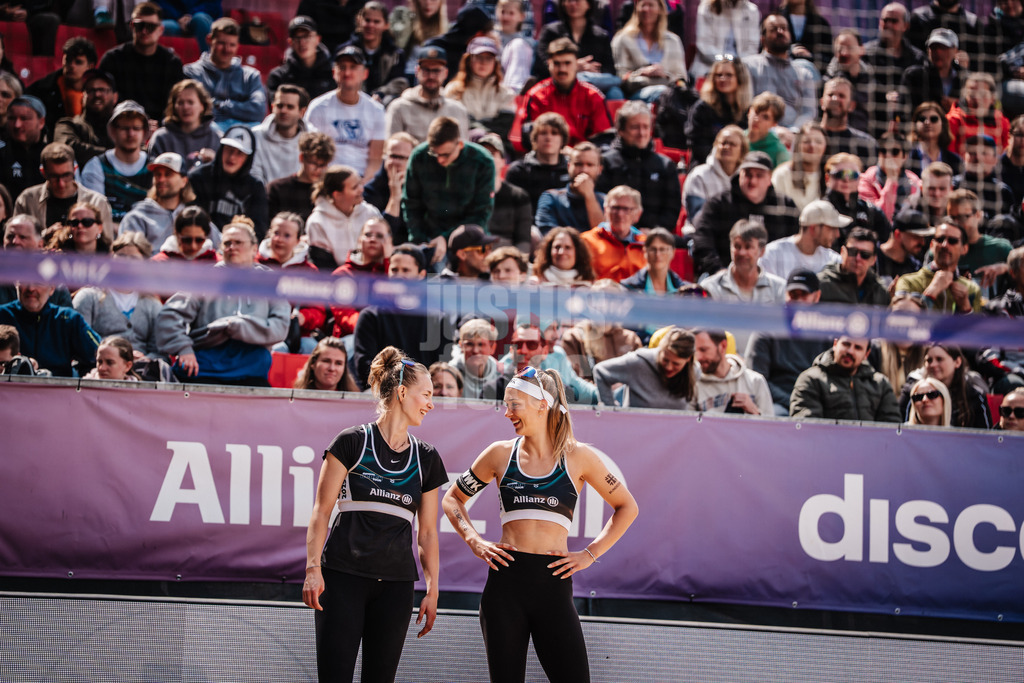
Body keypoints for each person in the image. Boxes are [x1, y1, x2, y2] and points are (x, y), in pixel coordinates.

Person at [441, 365, 638, 682]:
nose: (507, 413)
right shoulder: (499, 454)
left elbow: (627, 507)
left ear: (542, 405)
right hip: (505, 584)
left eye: (514, 404)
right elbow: (452, 499)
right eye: (506, 405)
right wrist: (474, 540)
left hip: (552, 584)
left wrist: (589, 554)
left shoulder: (579, 456)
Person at [303, 347, 444, 681]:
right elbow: (321, 511)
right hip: (342, 578)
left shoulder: (427, 457)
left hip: (396, 588)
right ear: (402, 392)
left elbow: (427, 533)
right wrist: (312, 568)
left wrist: (433, 589)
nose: (431, 404)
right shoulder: (351, 441)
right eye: (426, 394)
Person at [156, 221, 290, 385]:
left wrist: (237, 326)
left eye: (238, 242)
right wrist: (183, 349)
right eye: (227, 243)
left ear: (254, 249)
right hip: (205, 358)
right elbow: (169, 314)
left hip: (252, 359)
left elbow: (281, 325)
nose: (232, 247)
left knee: (261, 361)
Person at [351, 244, 455, 387]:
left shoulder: (438, 319)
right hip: (383, 394)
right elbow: (365, 367)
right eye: (394, 270)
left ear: (421, 275)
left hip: (425, 394)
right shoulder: (370, 316)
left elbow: (442, 368)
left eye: (406, 270)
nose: (399, 276)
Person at [402, 116, 495, 268]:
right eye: (434, 154)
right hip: (429, 234)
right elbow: (411, 204)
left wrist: (446, 239)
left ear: (460, 144)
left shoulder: (482, 161)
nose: (440, 160)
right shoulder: (419, 156)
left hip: (468, 235)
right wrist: (420, 241)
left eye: (445, 154)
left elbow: (481, 213)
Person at [692, 151, 800, 277]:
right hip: (724, 274)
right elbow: (702, 239)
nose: (753, 181)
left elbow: (796, 244)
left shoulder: (786, 206)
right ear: (740, 175)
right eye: (748, 174)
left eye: (759, 175)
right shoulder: (719, 203)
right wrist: (717, 270)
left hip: (775, 277)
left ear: (769, 178)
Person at [745, 269, 831, 415]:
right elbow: (757, 380)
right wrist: (793, 401)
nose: (798, 301)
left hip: (817, 402)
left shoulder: (827, 333)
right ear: (785, 295)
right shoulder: (765, 330)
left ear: (817, 296)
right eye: (793, 295)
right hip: (777, 403)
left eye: (804, 295)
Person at [595, 101, 681, 231]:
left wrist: (653, 232)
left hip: (653, 236)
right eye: (635, 127)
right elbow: (601, 204)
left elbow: (672, 210)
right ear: (621, 130)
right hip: (613, 233)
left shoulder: (665, 165)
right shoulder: (606, 162)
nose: (641, 133)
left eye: (646, 127)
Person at [513, 38, 612, 151]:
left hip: (583, 157)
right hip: (546, 156)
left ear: (576, 64)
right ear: (549, 64)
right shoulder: (536, 96)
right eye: (557, 64)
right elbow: (529, 138)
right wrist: (559, 152)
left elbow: (603, 139)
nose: (562, 69)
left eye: (567, 63)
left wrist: (578, 154)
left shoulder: (593, 96)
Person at [73, 233, 162, 358]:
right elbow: (79, 342)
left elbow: (159, 351)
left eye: (134, 259)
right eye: (121, 256)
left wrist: (144, 360)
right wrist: (116, 359)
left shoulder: (152, 305)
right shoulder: (89, 298)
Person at [305, 46, 386, 183]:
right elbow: (312, 154)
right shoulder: (318, 107)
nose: (347, 72)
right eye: (342, 67)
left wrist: (361, 185)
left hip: (362, 180)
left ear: (365, 73)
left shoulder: (376, 110)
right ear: (334, 72)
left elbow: (375, 160)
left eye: (353, 67)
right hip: (327, 179)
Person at [97, 2, 185, 123]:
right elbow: (103, 101)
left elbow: (176, 104)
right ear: (131, 26)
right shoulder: (112, 59)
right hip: (121, 124)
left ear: (160, 30)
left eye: (150, 27)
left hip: (161, 127)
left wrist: (160, 125)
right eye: (139, 25)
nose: (144, 31)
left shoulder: (172, 63)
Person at [13, 142, 114, 240]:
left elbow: (107, 243)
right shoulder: (28, 200)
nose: (61, 183)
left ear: (75, 170)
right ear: (43, 173)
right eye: (54, 176)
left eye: (66, 175)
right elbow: (15, 240)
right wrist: (44, 235)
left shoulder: (96, 202)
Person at [790, 336, 903, 423]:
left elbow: (892, 429)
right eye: (846, 344)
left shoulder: (880, 384)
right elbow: (807, 429)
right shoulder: (811, 379)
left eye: (858, 347)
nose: (850, 351)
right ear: (835, 344)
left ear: (866, 354)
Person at [0, 282, 102, 377]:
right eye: (25, 281)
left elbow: (101, 354)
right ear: (16, 284)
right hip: (9, 388)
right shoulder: (2, 315)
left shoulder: (68, 319)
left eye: (38, 282)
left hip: (58, 388)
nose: (31, 288)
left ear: (52, 288)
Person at [119, 152, 216, 251]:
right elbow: (127, 256)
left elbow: (219, 246)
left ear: (184, 181)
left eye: (168, 174)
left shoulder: (194, 216)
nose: (161, 179)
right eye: (157, 174)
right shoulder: (137, 217)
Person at [182, 17, 267, 129]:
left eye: (232, 45)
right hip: (205, 133)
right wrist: (239, 109)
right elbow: (193, 110)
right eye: (221, 43)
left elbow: (258, 111)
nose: (227, 50)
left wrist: (219, 105)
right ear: (209, 40)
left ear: (238, 46)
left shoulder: (251, 76)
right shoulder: (191, 72)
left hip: (243, 134)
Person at [188, 125, 269, 239]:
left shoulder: (255, 187)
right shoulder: (198, 177)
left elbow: (259, 230)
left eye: (239, 153)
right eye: (229, 149)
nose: (232, 157)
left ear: (248, 158)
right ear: (221, 149)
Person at [80, 100, 152, 223]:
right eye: (124, 128)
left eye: (136, 128)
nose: (130, 134)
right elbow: (94, 217)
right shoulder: (95, 166)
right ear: (113, 131)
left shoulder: (154, 167)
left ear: (144, 132)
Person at [533, 0, 621, 99]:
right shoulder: (550, 31)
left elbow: (610, 69)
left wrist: (594, 70)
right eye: (568, 0)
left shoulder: (601, 36)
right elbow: (541, 64)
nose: (573, 4)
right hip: (560, 81)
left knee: (615, 91)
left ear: (588, 4)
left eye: (577, 0)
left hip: (595, 82)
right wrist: (572, 66)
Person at [742, 12, 817, 129]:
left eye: (784, 28)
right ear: (762, 39)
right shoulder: (748, 66)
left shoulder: (804, 73)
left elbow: (809, 113)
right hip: (758, 131)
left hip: (794, 135)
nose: (780, 32)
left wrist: (793, 131)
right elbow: (744, 105)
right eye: (773, 29)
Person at [593, 326, 696, 409]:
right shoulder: (638, 362)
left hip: (673, 428)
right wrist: (610, 408)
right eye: (665, 360)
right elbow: (601, 371)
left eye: (676, 364)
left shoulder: (694, 372)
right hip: (635, 427)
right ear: (660, 351)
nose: (669, 367)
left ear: (688, 359)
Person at [895, 218, 983, 313]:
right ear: (932, 245)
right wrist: (932, 292)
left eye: (952, 241)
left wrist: (966, 309)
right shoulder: (908, 282)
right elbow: (901, 318)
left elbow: (978, 323)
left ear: (964, 249)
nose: (945, 245)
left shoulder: (972, 289)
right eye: (940, 240)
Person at [386, 45, 470, 144]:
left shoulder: (457, 110)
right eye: (426, 70)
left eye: (436, 71)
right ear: (417, 71)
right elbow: (391, 147)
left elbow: (462, 147)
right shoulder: (399, 107)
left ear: (445, 73)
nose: (431, 76)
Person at [897, 342, 992, 429]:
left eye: (939, 359)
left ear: (957, 362)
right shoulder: (914, 392)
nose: (933, 364)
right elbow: (898, 428)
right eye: (929, 360)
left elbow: (984, 436)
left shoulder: (973, 395)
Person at [328, 217, 393, 339]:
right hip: (352, 337)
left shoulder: (393, 272)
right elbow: (345, 315)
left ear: (389, 242)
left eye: (379, 236)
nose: (372, 239)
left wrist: (388, 261)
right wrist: (369, 328)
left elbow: (396, 301)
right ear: (359, 239)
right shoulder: (342, 274)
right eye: (368, 234)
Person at [611, 0, 686, 102]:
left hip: (668, 91)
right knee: (661, 92)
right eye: (643, 5)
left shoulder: (673, 41)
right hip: (635, 94)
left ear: (660, 9)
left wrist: (665, 74)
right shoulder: (623, 39)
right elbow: (619, 76)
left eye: (650, 5)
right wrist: (642, 72)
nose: (646, 9)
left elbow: (681, 78)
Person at [443, 36, 516, 138]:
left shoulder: (506, 93)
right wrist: (481, 133)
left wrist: (485, 135)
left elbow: (505, 124)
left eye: (489, 58)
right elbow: (454, 121)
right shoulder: (454, 89)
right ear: (468, 60)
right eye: (479, 57)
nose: (483, 62)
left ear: (495, 63)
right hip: (462, 140)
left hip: (495, 142)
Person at [685, 56, 752, 166]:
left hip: (740, 167)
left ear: (740, 78)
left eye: (729, 75)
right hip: (707, 166)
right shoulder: (702, 108)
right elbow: (696, 144)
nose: (722, 79)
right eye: (719, 75)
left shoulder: (748, 111)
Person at [946, 188, 1013, 296]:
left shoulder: (1000, 248)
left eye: (962, 217)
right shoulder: (941, 249)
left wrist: (1005, 268)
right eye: (952, 218)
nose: (956, 223)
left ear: (978, 215)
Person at [25, 36, 97, 138]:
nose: (71, 65)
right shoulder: (39, 90)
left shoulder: (100, 92)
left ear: (90, 66)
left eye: (78, 62)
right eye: (68, 60)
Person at [339, 2, 409, 104]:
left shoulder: (395, 54)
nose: (371, 25)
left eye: (376, 22)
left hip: (383, 103)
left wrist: (381, 93)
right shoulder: (345, 51)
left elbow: (400, 82)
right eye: (367, 20)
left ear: (386, 25)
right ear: (359, 21)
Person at [693, 328, 773, 415]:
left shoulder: (755, 381)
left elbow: (771, 422)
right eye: (695, 351)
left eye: (703, 350)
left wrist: (754, 411)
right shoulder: (693, 386)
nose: (698, 357)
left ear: (723, 346)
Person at [760, 199, 845, 281]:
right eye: (832, 228)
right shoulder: (772, 255)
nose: (837, 234)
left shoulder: (833, 260)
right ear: (813, 228)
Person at [147, 80, 223, 171]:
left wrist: (214, 162)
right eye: (180, 103)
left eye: (190, 102)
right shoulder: (161, 138)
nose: (185, 107)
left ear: (202, 106)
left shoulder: (216, 138)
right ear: (174, 106)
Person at [504, 112, 571, 214]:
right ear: (535, 138)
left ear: (563, 139)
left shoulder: (571, 170)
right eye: (543, 133)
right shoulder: (518, 170)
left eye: (554, 133)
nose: (548, 138)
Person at [683, 125, 747, 231]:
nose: (727, 147)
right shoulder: (699, 175)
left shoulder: (746, 178)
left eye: (732, 144)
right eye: (723, 143)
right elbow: (697, 217)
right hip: (702, 231)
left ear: (742, 150)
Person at [580, 185, 647, 282]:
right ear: (605, 210)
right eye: (615, 208)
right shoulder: (587, 241)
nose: (620, 214)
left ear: (638, 214)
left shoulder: (646, 245)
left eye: (626, 209)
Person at [536, 140, 605, 234]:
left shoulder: (606, 201)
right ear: (569, 166)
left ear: (599, 169)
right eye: (578, 164)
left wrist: (589, 196)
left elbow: (603, 236)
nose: (584, 170)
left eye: (590, 165)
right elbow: (549, 235)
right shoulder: (551, 197)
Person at [822, 153, 892, 246]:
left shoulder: (871, 211)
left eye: (852, 175)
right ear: (827, 178)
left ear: (860, 178)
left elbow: (887, 246)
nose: (846, 180)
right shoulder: (819, 211)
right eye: (840, 174)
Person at [478, 133, 532, 254]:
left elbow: (523, 241)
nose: (486, 158)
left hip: (506, 258)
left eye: (492, 154)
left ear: (503, 161)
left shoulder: (519, 196)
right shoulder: (467, 194)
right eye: (482, 154)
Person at [54, 69, 118, 169]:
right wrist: (119, 155)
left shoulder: (124, 127)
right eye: (91, 90)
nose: (97, 94)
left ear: (115, 97)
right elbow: (66, 150)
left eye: (102, 90)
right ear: (82, 96)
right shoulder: (68, 125)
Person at [250, 85, 311, 186]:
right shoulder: (255, 136)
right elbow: (254, 176)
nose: (283, 111)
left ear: (302, 112)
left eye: (290, 107)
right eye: (279, 106)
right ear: (272, 107)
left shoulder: (313, 140)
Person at [268, 131, 335, 221]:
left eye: (323, 165)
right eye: (313, 163)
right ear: (301, 158)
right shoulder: (277, 188)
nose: (318, 169)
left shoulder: (330, 191)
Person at [267, 16, 336, 102]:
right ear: (290, 42)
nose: (302, 43)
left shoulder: (333, 73)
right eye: (297, 38)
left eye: (307, 37)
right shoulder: (278, 76)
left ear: (317, 39)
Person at [817, 227, 891, 307]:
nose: (858, 258)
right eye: (852, 252)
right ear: (842, 252)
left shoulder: (880, 292)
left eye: (865, 255)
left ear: (873, 260)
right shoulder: (822, 285)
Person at [858, 132, 922, 222]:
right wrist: (891, 180)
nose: (888, 156)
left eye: (894, 151)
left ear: (904, 156)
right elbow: (877, 218)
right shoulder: (866, 180)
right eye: (883, 151)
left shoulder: (914, 181)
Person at [362, 131, 414, 240]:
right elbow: (379, 236)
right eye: (393, 156)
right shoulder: (370, 190)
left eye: (402, 158)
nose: (396, 162)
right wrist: (395, 197)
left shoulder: (417, 188)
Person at [691, 0, 760, 80]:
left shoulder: (752, 10)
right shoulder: (707, 8)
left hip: (741, 71)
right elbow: (704, 47)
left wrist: (736, 66)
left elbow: (752, 48)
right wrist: (725, 64)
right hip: (709, 69)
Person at [900, 28, 963, 113]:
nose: (938, 52)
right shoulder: (914, 76)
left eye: (943, 47)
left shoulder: (965, 79)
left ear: (955, 50)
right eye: (933, 47)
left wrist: (957, 105)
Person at [947, 72, 1010, 157]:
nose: (977, 99)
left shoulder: (1002, 122)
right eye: (972, 95)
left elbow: (1006, 155)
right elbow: (950, 157)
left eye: (982, 94)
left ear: (993, 98)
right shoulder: (953, 120)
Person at [770, 122, 827, 214]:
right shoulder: (782, 175)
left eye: (818, 142)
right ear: (797, 145)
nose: (812, 146)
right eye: (806, 141)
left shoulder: (830, 177)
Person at [0, 96, 48, 201]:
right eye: (12, 118)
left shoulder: (52, 154)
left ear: (41, 122)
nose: (17, 125)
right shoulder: (2, 154)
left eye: (24, 118)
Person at [819, 77, 878, 163]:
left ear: (851, 106)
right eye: (830, 95)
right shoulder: (809, 138)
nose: (835, 99)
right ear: (821, 102)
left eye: (841, 96)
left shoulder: (866, 144)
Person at [449, 318, 510, 399]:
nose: (475, 350)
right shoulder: (450, 374)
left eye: (481, 344)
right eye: (469, 344)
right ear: (461, 346)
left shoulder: (502, 374)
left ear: (492, 347)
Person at [907, 102, 962, 179]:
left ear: (943, 124)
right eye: (922, 119)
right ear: (915, 124)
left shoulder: (955, 161)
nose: (927, 122)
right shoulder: (907, 158)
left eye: (933, 119)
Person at [876, 210, 932, 285]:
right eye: (916, 236)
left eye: (924, 237)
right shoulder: (868, 256)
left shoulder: (916, 269)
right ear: (898, 234)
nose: (922, 243)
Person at [151, 205, 219, 262]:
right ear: (177, 235)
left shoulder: (217, 263)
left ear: (206, 236)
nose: (193, 246)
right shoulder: (158, 263)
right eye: (187, 240)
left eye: (199, 240)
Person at [297, 0, 369, 54]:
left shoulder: (365, 4)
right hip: (318, 57)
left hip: (356, 58)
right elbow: (299, 33)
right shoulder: (310, 3)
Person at [293, 336, 359, 392]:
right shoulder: (295, 398)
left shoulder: (354, 400)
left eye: (338, 363)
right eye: (326, 361)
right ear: (313, 363)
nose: (332, 368)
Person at [744, 92, 790, 169]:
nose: (757, 119)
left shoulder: (779, 151)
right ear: (749, 112)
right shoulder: (737, 139)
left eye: (765, 117)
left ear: (774, 124)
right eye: (756, 112)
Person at [46, 202, 112, 255]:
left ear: (99, 228)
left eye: (87, 222)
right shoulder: (54, 256)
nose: (80, 226)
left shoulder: (112, 258)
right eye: (74, 222)